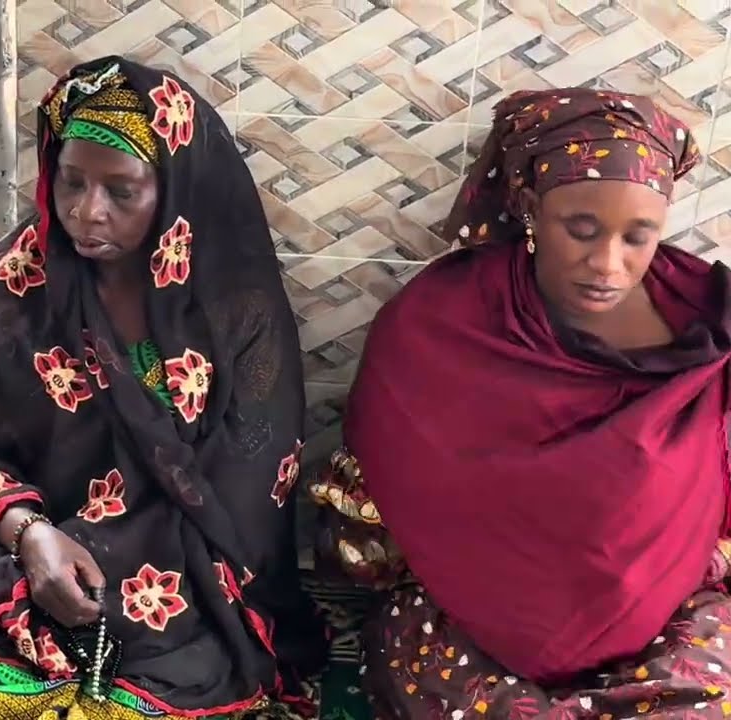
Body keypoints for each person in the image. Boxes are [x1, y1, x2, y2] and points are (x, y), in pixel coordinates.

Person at [0, 56, 326, 719]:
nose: (87, 212)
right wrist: (30, 537)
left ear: (173, 190)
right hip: (47, 529)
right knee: (1, 660)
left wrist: (127, 562)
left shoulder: (232, 303)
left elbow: (252, 479)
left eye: (122, 191)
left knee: (178, 658)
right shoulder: (15, 286)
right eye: (71, 181)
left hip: (191, 563)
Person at [309, 87, 731, 718]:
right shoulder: (440, 323)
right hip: (463, 614)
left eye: (638, 238)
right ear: (530, 207)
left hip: (670, 612)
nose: (608, 264)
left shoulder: (707, 321)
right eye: (580, 230)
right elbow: (375, 519)